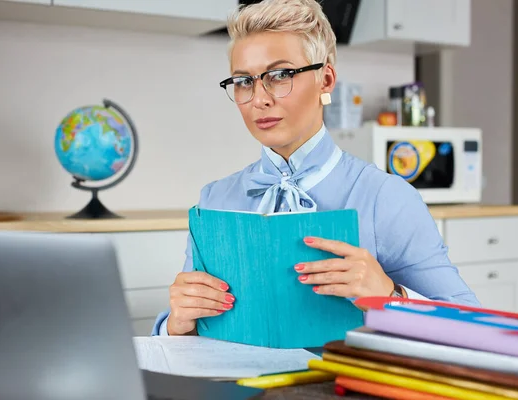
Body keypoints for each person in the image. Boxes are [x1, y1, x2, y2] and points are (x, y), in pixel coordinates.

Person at [151, 0, 480, 337]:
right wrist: (177, 323)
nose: (259, 98)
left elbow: (475, 332)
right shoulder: (215, 200)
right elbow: (186, 339)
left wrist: (389, 296)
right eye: (244, 81)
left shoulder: (386, 198)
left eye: (280, 76)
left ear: (325, 80)